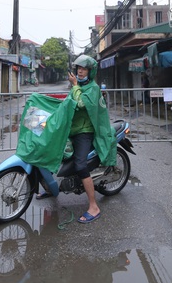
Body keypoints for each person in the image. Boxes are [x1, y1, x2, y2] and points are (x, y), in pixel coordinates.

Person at [37, 55, 116, 223]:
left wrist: (74, 86)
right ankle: (52, 188)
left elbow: (81, 103)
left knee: (80, 165)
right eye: (78, 68)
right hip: (72, 129)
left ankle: (94, 207)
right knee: (52, 148)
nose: (80, 71)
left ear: (90, 71)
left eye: (84, 68)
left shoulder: (93, 88)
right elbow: (68, 103)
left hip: (84, 132)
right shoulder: (79, 85)